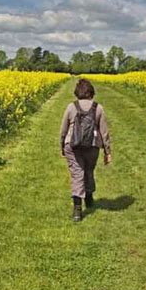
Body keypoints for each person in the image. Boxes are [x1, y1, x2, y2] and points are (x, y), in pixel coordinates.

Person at [60, 78, 112, 222]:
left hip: (72, 145)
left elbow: (63, 129)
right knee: (88, 171)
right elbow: (105, 132)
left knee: (77, 174)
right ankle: (89, 198)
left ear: (78, 92)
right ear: (91, 92)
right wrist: (107, 152)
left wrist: (62, 146)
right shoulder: (98, 108)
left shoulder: (71, 107)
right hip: (92, 145)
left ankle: (77, 210)